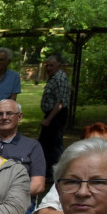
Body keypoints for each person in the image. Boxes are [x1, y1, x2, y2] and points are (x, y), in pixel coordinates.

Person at [0, 100, 46, 197]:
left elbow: (38, 185)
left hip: (19, 202)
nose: (4, 117)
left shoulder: (32, 146)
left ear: (19, 117)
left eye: (9, 113)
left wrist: (10, 198)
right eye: (0, 114)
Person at [39, 54, 70, 182]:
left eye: (51, 65)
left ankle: (58, 174)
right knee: (45, 145)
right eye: (47, 65)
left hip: (56, 116)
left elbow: (61, 103)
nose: (48, 68)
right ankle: (48, 173)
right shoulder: (54, 77)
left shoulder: (60, 78)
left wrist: (49, 119)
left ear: (59, 65)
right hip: (51, 115)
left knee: (54, 145)